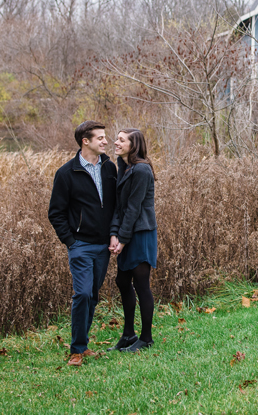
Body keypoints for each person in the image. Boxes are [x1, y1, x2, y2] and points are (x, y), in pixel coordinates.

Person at [48, 121, 117, 366]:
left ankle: (83, 344)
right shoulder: (66, 173)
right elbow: (55, 212)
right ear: (85, 141)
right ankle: (76, 350)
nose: (105, 142)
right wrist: (70, 241)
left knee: (92, 296)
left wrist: (114, 234)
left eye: (105, 137)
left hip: (103, 246)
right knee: (83, 293)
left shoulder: (110, 168)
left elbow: (115, 207)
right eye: (100, 138)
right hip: (81, 245)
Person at [107, 128, 158, 353]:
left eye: (121, 140)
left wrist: (123, 239)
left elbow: (134, 208)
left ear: (133, 145)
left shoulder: (141, 170)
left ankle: (146, 338)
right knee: (122, 281)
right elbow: (119, 206)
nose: (115, 143)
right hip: (128, 233)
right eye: (116, 139)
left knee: (141, 284)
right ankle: (128, 334)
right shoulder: (124, 167)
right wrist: (114, 234)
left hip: (141, 233)